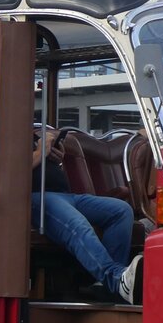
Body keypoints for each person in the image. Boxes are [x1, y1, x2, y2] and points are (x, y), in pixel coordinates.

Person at [32, 126, 142, 303]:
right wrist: (40, 152)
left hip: (67, 195)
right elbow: (9, 171)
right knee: (78, 224)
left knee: (121, 210)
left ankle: (106, 285)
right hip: (38, 197)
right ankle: (115, 280)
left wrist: (54, 156)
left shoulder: (27, 136)